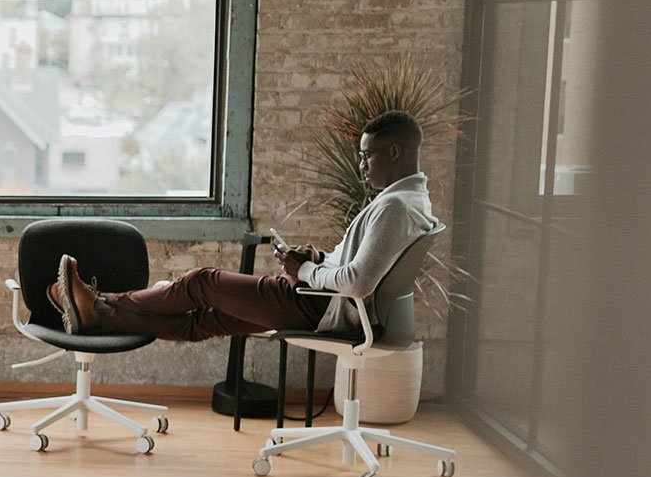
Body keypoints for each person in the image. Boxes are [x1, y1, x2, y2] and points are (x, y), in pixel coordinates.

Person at [53, 109, 439, 343]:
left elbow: (357, 282)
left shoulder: (395, 208)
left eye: (366, 155)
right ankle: (99, 315)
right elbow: (358, 264)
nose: (361, 165)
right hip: (318, 302)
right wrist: (318, 257)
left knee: (202, 282)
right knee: (207, 320)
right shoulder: (409, 201)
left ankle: (104, 305)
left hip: (317, 307)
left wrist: (304, 270)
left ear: (394, 151)